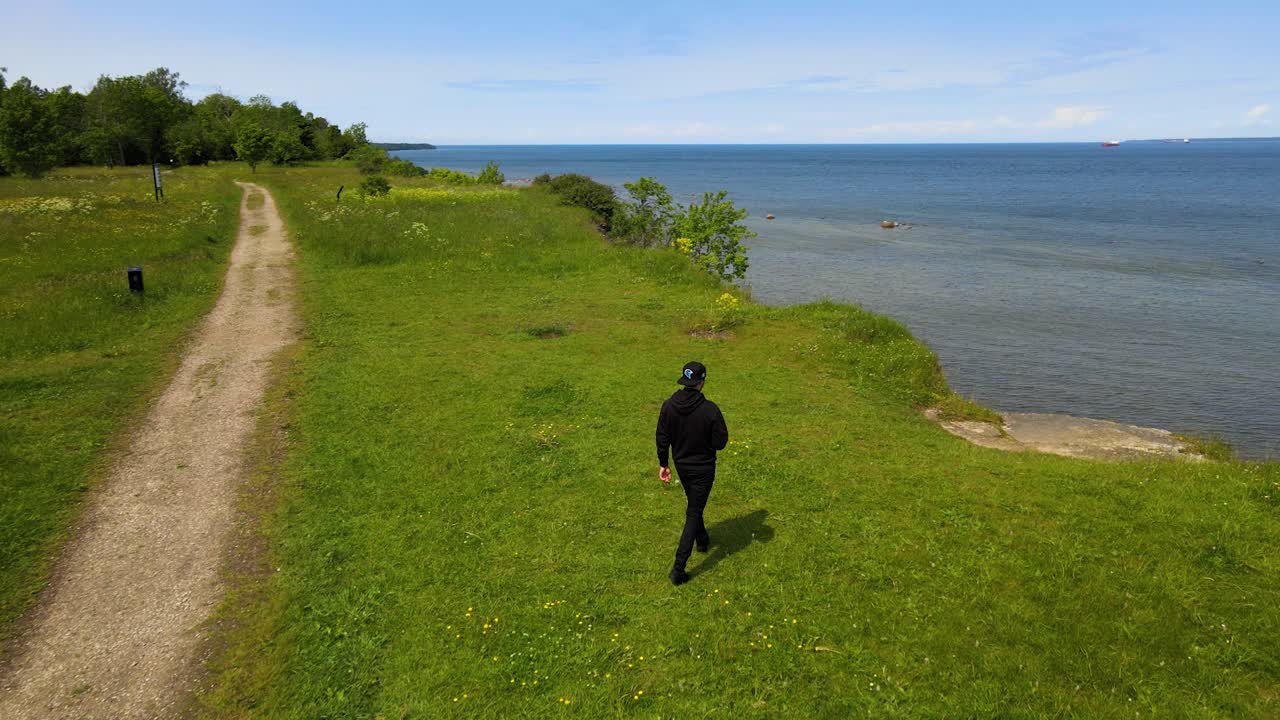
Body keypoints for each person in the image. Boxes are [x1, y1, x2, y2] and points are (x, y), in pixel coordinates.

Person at [656, 360, 729, 585]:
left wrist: (664, 464)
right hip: (703, 469)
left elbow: (662, 437)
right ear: (702, 382)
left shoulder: (668, 406)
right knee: (694, 512)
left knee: (694, 506)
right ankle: (678, 570)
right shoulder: (710, 410)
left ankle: (703, 539)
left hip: (682, 466)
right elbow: (720, 442)